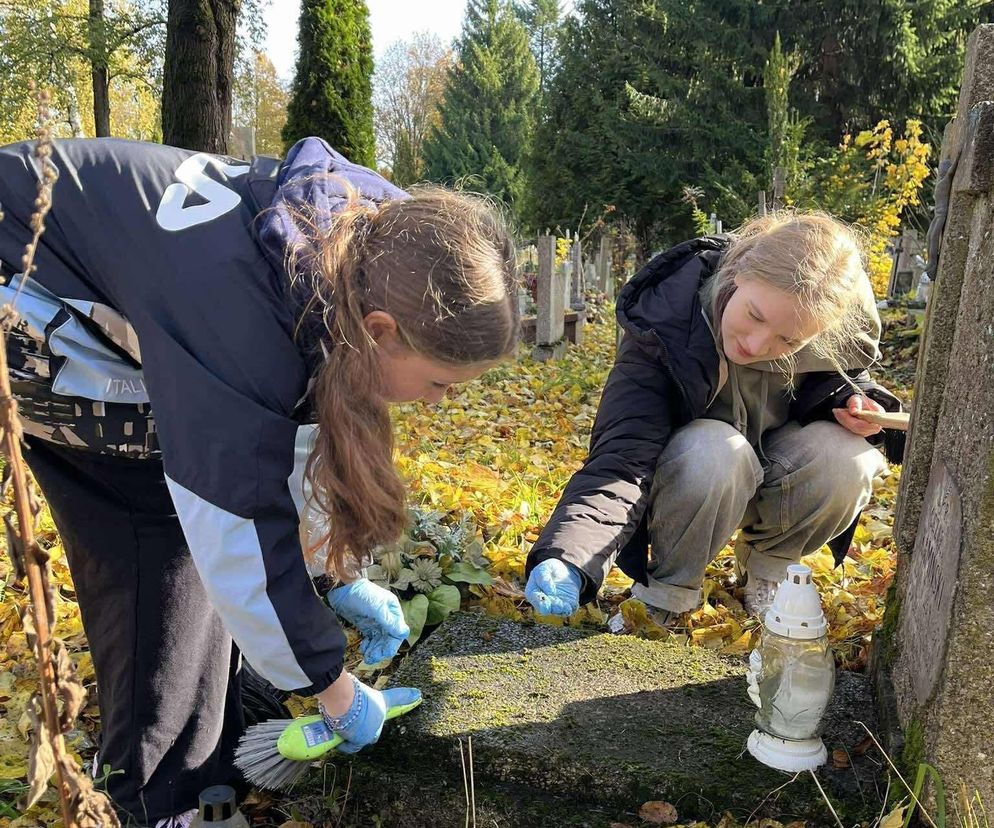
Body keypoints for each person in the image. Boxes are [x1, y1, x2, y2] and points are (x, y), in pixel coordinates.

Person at [0, 135, 519, 826]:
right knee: (161, 545)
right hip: (25, 280)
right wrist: (330, 685)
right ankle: (168, 803)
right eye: (440, 384)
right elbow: (237, 514)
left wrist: (333, 573)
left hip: (85, 275)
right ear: (382, 331)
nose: (439, 403)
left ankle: (210, 753)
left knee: (208, 535)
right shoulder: (245, 324)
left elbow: (288, 437)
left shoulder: (377, 250)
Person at [523, 212, 903, 624]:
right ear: (738, 272)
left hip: (776, 481)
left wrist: (857, 402)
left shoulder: (824, 341)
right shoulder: (666, 324)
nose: (757, 344)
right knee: (713, 449)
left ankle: (770, 571)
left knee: (848, 457)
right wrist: (570, 555)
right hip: (687, 489)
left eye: (789, 340)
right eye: (755, 316)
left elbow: (841, 381)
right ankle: (666, 592)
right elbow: (622, 460)